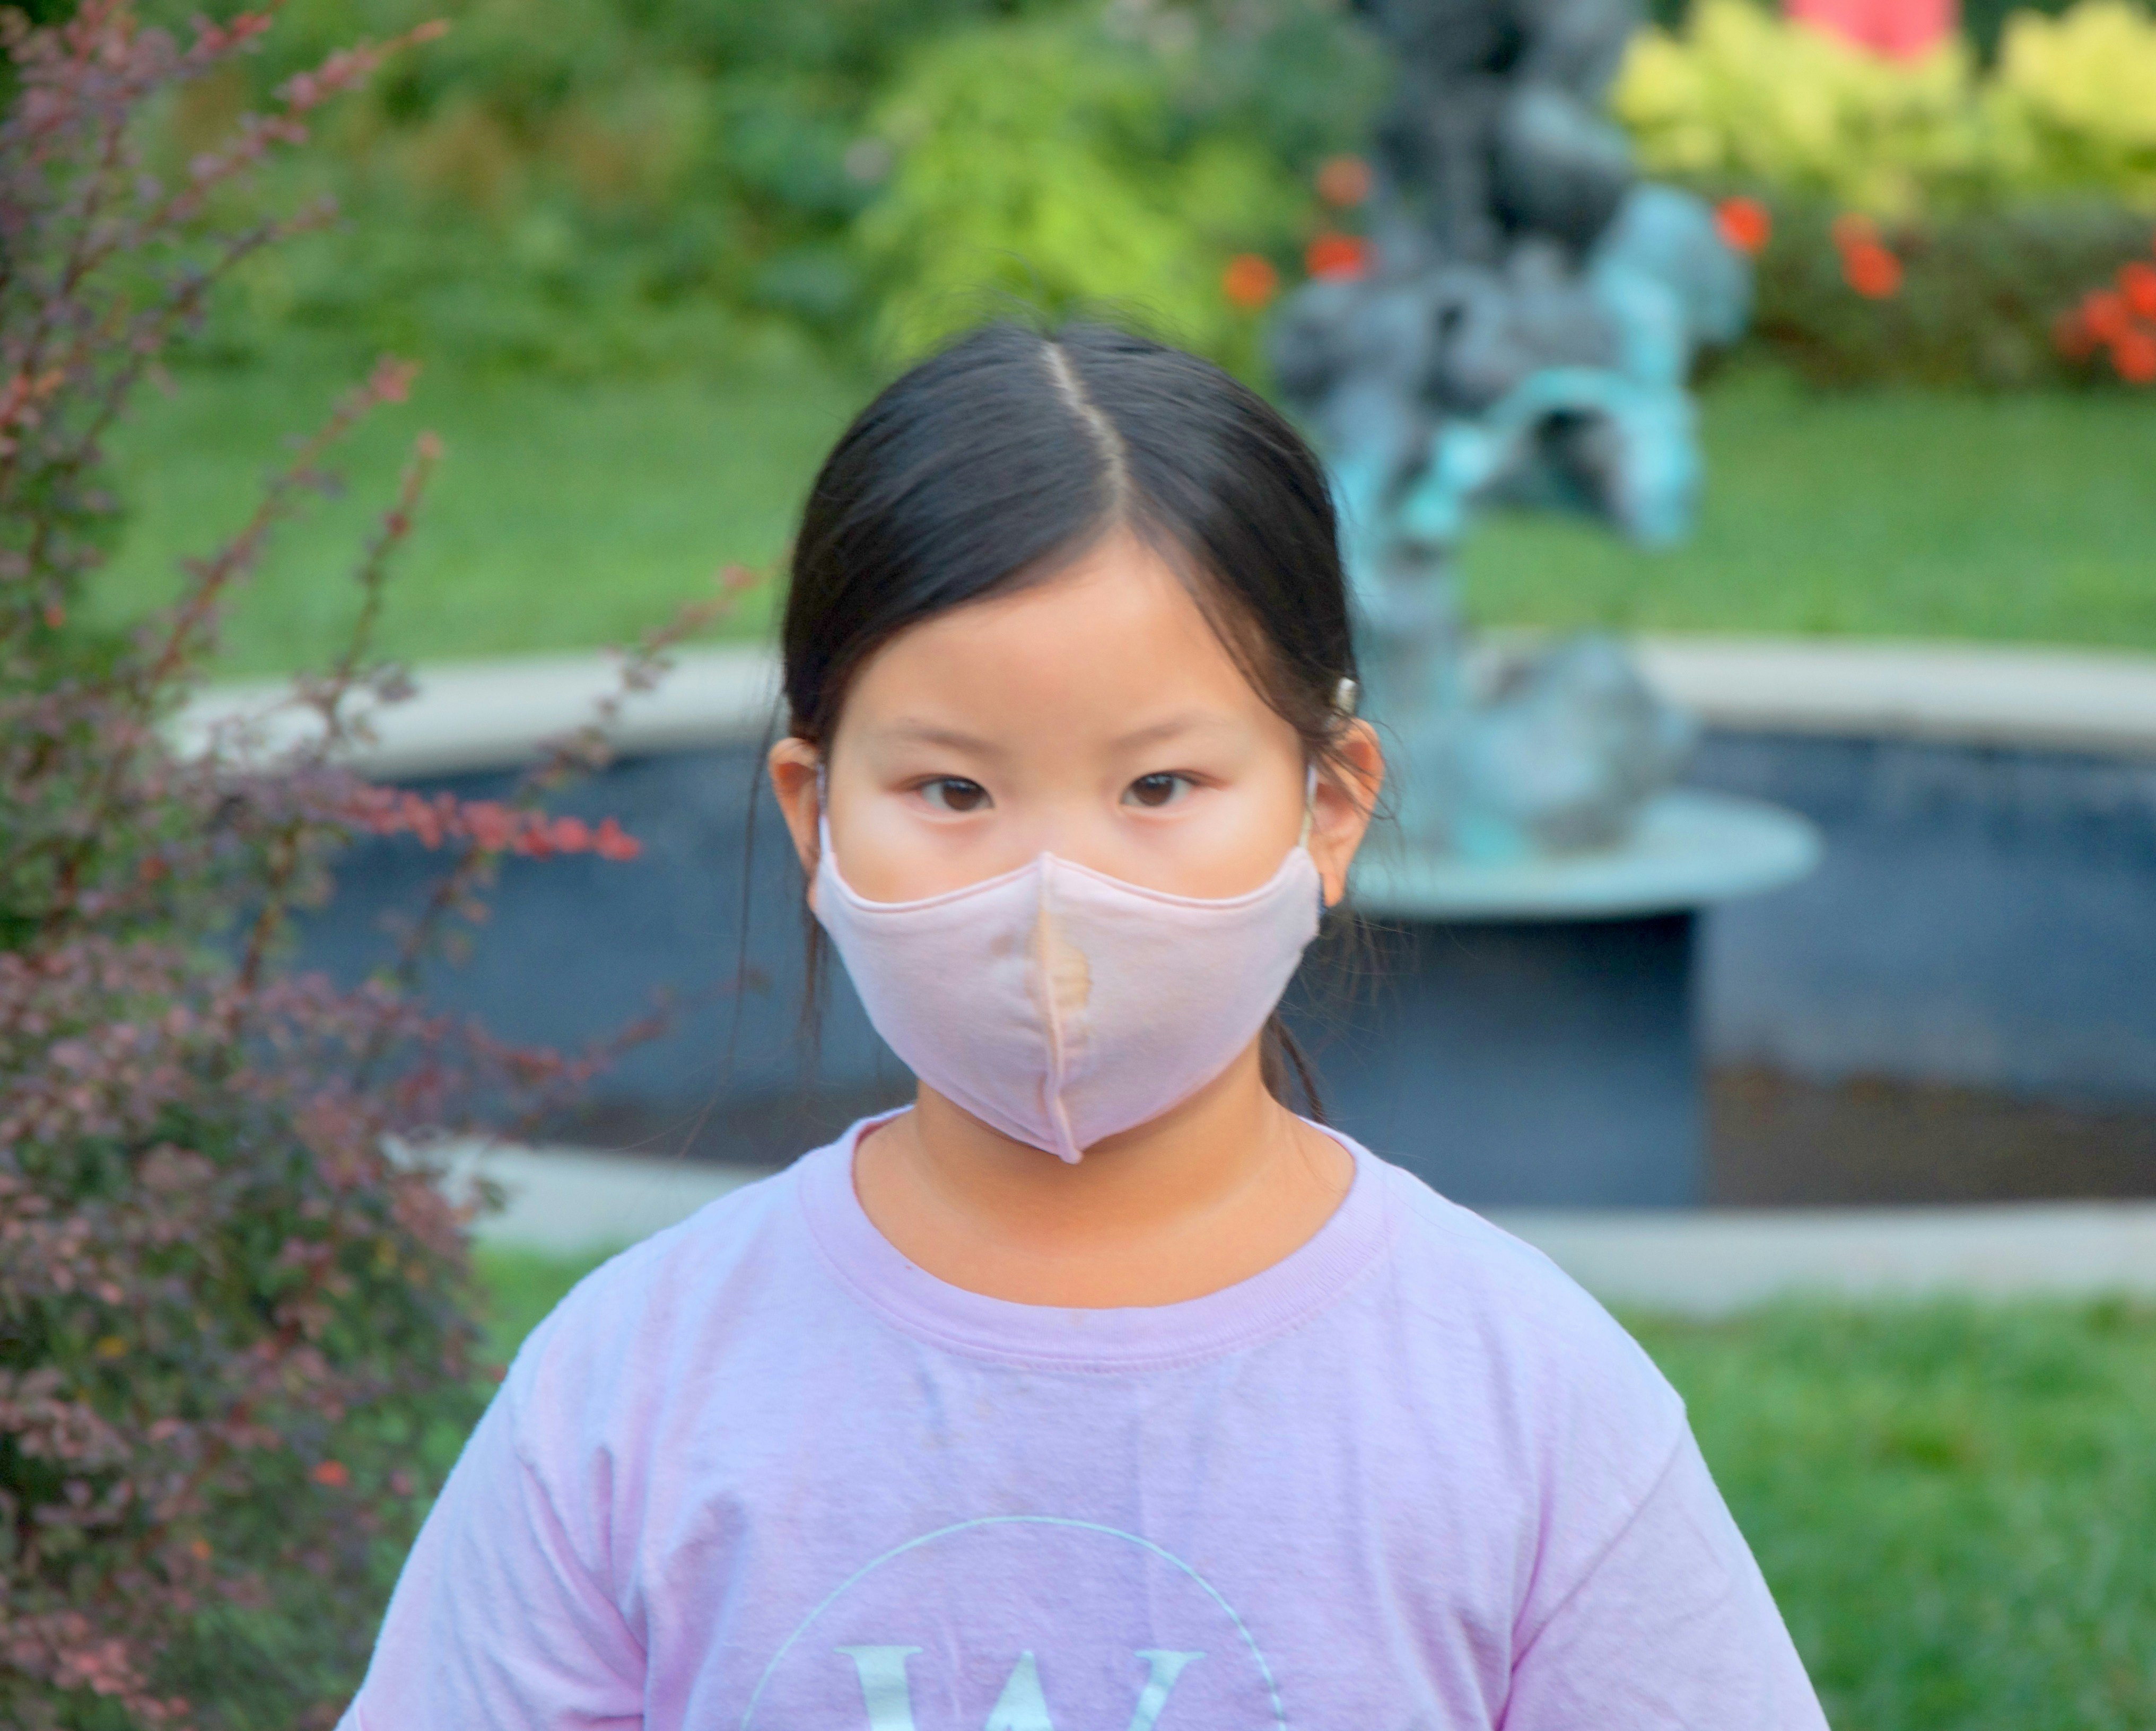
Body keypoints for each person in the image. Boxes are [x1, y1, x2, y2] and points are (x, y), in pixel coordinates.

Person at [337, 318, 1827, 1730]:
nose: (1056, 889)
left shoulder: (1527, 1401)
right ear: (814, 813)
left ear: (1330, 806)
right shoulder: (631, 1389)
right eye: (954, 791)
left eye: (1159, 787)